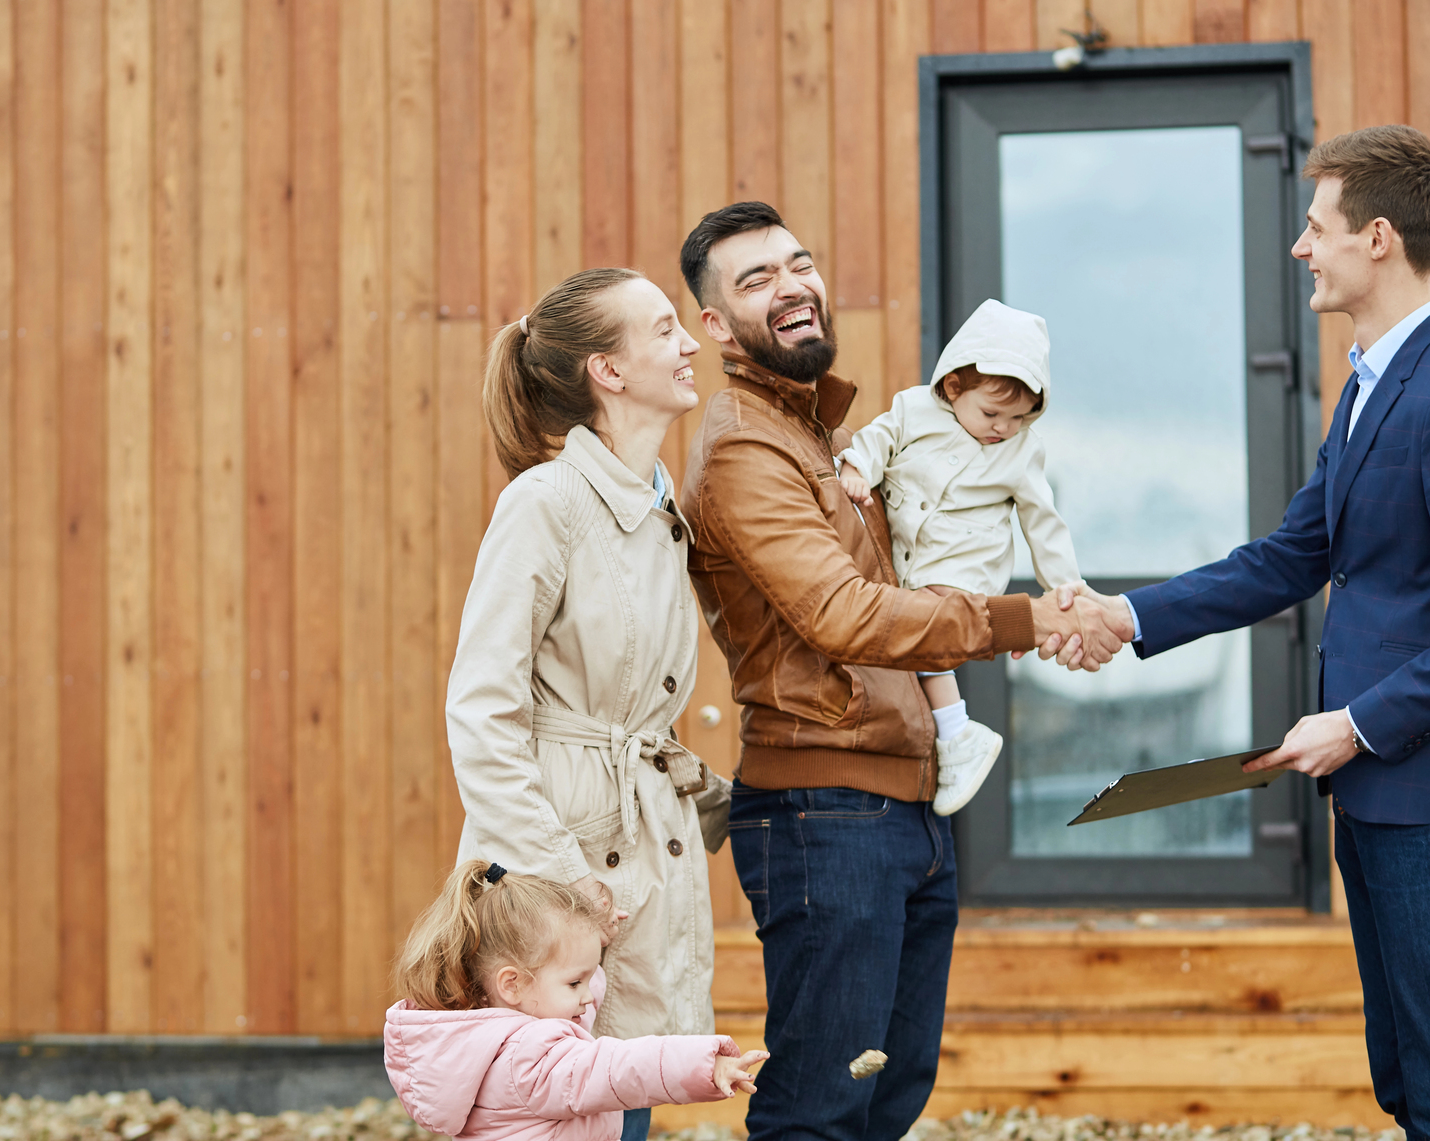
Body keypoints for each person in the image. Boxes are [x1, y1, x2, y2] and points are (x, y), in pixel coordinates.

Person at [1070, 125, 1430, 1140]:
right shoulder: (1371, 385)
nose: (1299, 246)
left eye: (1315, 226)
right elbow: (1291, 556)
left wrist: (1358, 724)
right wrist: (1126, 615)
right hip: (1380, 794)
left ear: (1376, 238)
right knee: (1409, 1083)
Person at [675, 202, 1120, 1141]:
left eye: (798, 263)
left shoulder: (824, 436)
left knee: (889, 1094)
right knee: (820, 1109)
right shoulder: (749, 446)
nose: (791, 285)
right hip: (825, 807)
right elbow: (842, 612)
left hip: (902, 803)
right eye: (755, 280)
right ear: (714, 324)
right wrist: (1024, 616)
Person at [445, 266, 733, 1141]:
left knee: (628, 1079)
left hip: (646, 837)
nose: (690, 343)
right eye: (661, 329)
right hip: (562, 850)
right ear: (607, 370)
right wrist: (556, 867)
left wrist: (730, 802)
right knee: (565, 1098)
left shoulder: (662, 511)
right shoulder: (544, 503)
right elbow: (479, 709)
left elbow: (644, 711)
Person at [835, 298, 1081, 815]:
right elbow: (880, 438)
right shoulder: (913, 410)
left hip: (967, 561)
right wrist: (858, 465)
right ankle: (946, 735)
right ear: (953, 387)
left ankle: (958, 733)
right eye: (992, 414)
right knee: (908, 630)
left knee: (926, 626)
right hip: (910, 560)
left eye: (1019, 417)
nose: (1003, 428)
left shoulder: (1021, 450)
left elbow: (1042, 519)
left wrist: (1065, 587)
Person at [383, 861, 768, 1140]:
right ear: (512, 984)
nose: (588, 995)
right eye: (575, 982)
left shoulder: (481, 1042)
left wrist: (585, 945)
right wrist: (704, 1065)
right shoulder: (530, 1058)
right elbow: (616, 1068)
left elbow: (572, 1002)